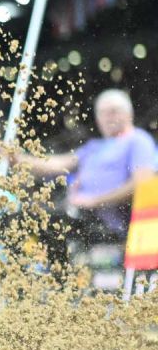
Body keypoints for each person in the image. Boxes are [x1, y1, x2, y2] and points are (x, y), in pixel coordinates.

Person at [11, 89, 157, 245]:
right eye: (102, 113)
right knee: (17, 221)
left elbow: (143, 184)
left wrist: (94, 201)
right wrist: (17, 159)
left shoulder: (139, 140)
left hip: (117, 227)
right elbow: (57, 164)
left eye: (113, 111)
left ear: (129, 114)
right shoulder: (94, 147)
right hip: (82, 218)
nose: (108, 118)